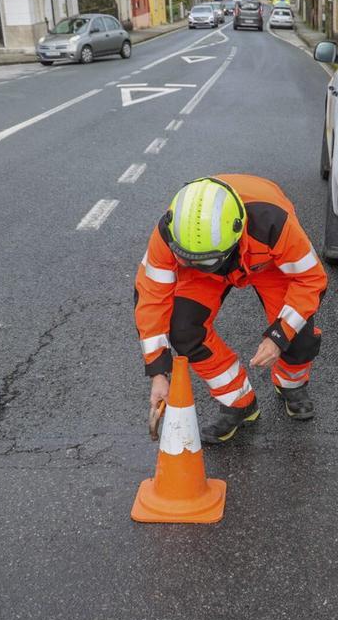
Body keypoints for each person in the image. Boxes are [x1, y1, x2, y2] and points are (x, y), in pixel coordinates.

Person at [134, 175, 327, 444]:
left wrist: (278, 337)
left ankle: (291, 386)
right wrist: (158, 372)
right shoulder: (171, 232)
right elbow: (151, 299)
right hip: (205, 272)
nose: (198, 265)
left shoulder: (273, 222)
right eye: (186, 258)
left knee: (298, 332)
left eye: (208, 261)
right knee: (184, 331)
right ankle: (239, 402)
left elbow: (310, 279)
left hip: (266, 263)